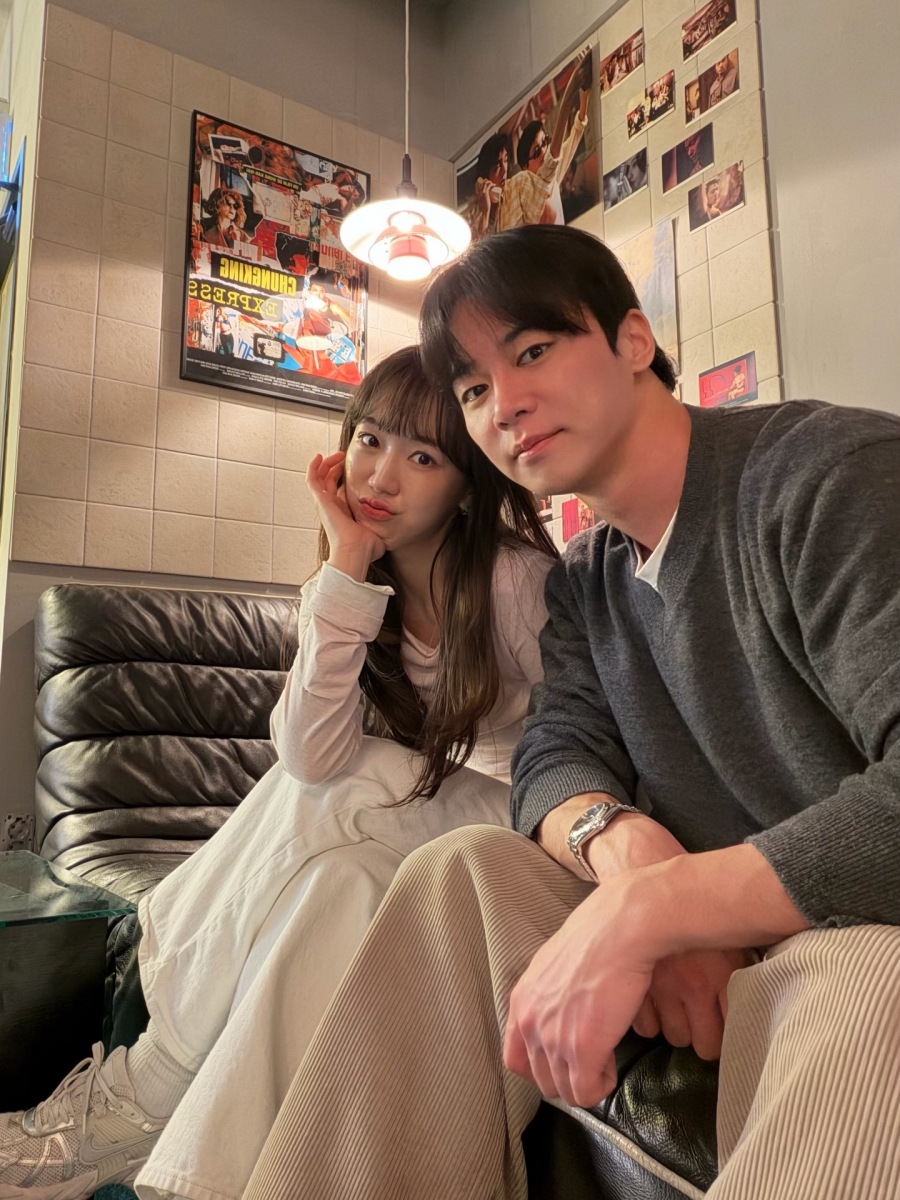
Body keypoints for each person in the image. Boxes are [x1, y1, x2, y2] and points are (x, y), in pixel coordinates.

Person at [242, 224, 900, 1200]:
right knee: (460, 869)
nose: (504, 405)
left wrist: (659, 909)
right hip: (719, 913)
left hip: (860, 926)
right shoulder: (587, 578)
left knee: (875, 985)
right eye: (474, 390)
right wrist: (627, 853)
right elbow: (553, 755)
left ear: (633, 339)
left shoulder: (825, 475)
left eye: (534, 351)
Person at [0, 345, 556, 1200]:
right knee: (336, 883)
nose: (382, 475)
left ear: (468, 486)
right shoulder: (353, 581)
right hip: (429, 836)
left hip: (537, 834)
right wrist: (346, 563)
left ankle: (135, 1095)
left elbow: (586, 747)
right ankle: (197, 1177)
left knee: (352, 781)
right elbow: (307, 747)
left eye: (423, 458)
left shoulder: (515, 582)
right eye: (369, 440)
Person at [500, 49, 591, 229]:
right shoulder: (525, 192)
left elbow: (576, 131)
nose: (543, 151)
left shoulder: (552, 180)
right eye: (536, 151)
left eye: (545, 142)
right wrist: (571, 89)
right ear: (525, 167)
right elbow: (552, 158)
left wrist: (585, 93)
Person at [462, 131, 512, 240]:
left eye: (506, 160)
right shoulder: (472, 215)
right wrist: (485, 212)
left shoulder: (511, 201)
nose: (504, 170)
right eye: (498, 165)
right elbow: (478, 248)